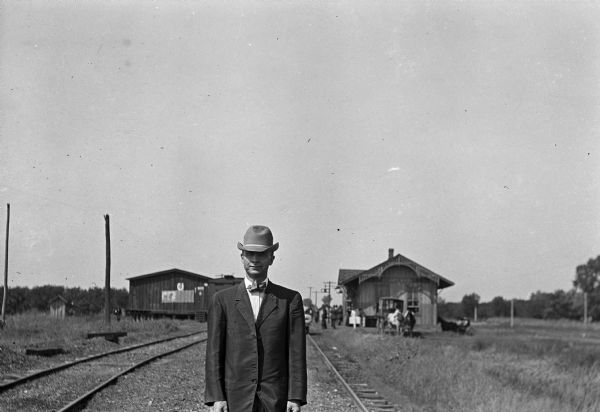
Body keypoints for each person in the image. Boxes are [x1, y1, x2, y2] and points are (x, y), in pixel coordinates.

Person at [205, 225, 307, 412]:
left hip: (275, 399)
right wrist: (216, 397)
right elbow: (214, 353)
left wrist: (295, 396)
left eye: (261, 254)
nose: (254, 259)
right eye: (249, 254)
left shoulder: (290, 300)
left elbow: (296, 353)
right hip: (234, 399)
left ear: (272, 258)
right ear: (242, 257)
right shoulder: (222, 301)